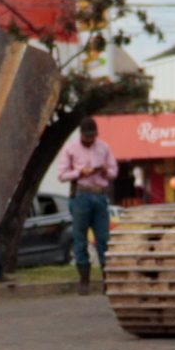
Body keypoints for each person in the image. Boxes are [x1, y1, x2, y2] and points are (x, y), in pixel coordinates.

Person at [57, 115, 116, 294]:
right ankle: (84, 279)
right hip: (81, 194)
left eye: (93, 136)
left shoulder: (104, 147)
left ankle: (107, 278)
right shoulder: (71, 148)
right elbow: (61, 174)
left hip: (99, 195)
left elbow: (114, 170)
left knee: (103, 238)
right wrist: (79, 173)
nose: (90, 139)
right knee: (80, 238)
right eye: (87, 136)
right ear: (81, 134)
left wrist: (105, 171)